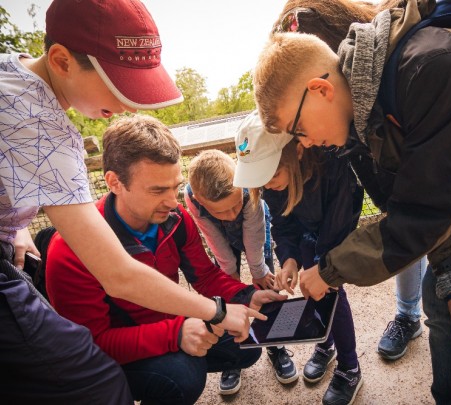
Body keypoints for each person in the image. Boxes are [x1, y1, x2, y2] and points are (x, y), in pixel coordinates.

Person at [252, 0, 451, 402]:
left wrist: (330, 270)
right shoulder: (365, 120)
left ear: (320, 89)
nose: (304, 144)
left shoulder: (432, 66)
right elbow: (426, 199)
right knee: (442, 301)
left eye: (297, 129)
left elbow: (421, 215)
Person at [0, 0, 260, 402]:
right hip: (120, 331)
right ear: (62, 60)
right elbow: (117, 276)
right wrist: (216, 313)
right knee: (98, 384)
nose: (125, 105)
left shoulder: (10, 76)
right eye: (117, 84)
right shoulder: (45, 132)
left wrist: (14, 225)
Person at [45, 115, 285, 404]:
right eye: (157, 190)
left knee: (247, 341)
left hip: (168, 320)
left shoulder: (175, 219)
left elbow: (206, 276)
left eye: (176, 186)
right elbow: (93, 343)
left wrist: (246, 296)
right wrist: (176, 334)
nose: (173, 202)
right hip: (114, 349)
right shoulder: (70, 250)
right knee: (182, 377)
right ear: (115, 182)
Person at [233, 110, 365, 404]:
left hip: (335, 238)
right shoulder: (273, 182)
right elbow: (282, 223)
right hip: (306, 236)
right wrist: (290, 259)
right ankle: (325, 344)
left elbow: (341, 216)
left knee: (331, 294)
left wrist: (322, 266)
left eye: (273, 174)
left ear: (295, 153)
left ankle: (350, 366)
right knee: (309, 291)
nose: (267, 184)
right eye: (261, 178)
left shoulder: (332, 162)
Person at [185, 149, 300, 385]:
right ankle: (233, 356)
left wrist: (258, 271)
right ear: (199, 199)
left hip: (255, 229)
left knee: (266, 283)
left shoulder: (248, 185)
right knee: (225, 290)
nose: (230, 215)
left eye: (234, 206)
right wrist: (232, 282)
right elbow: (214, 239)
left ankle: (275, 345)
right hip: (220, 239)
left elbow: (254, 235)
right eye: (221, 210)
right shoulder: (193, 199)